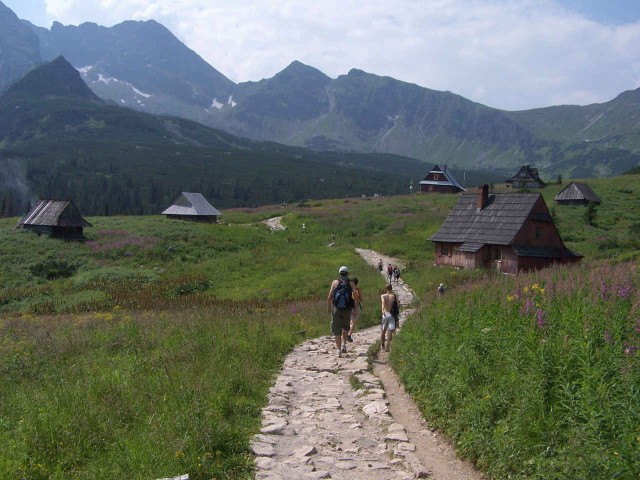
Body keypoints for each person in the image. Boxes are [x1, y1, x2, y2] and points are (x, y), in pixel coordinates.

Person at [327, 266, 360, 357]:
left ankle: (338, 351)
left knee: (337, 330)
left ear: (340, 273)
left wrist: (329, 307)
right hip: (347, 308)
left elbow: (329, 297)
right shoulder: (351, 283)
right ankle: (344, 345)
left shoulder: (335, 282)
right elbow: (356, 297)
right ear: (347, 273)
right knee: (346, 327)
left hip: (336, 309)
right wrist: (355, 308)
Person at [380, 284, 397, 352]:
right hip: (392, 314)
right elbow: (398, 305)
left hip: (385, 313)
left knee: (383, 330)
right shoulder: (393, 296)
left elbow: (383, 303)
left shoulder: (383, 296)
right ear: (391, 288)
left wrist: (382, 310)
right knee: (390, 330)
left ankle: (382, 345)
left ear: (385, 289)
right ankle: (388, 345)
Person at [347, 277, 362, 342]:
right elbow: (361, 299)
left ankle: (345, 334)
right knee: (353, 322)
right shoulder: (357, 290)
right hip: (355, 307)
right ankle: (349, 335)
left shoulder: (348, 290)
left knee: (349, 321)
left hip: (348, 307)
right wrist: (357, 299)